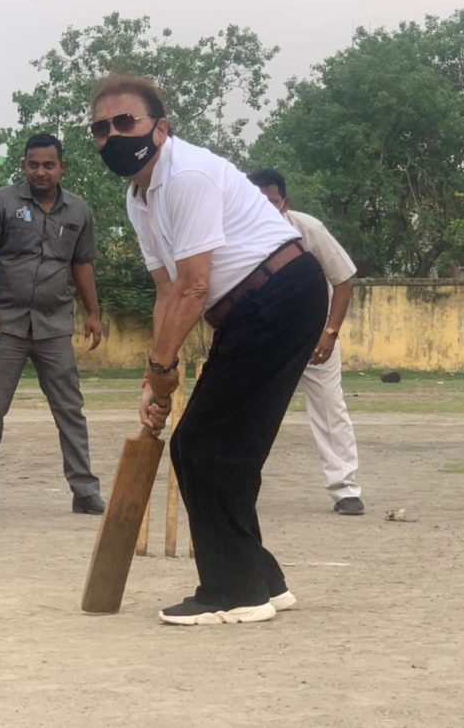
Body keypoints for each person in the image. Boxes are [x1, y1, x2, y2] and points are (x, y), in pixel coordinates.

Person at [90, 74, 328, 625]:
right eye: (101, 129)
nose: (113, 136)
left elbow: (195, 286)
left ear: (161, 127)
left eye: (126, 122)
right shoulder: (139, 197)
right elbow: (167, 290)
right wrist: (156, 380)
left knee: (202, 445)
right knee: (226, 450)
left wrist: (164, 366)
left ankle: (234, 591)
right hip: (258, 305)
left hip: (278, 293)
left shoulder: (186, 175)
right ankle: (261, 579)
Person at [0, 133, 104, 517]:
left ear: (62, 167)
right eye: (33, 164)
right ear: (24, 165)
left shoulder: (78, 210)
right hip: (4, 323)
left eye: (48, 164)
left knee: (70, 409)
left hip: (54, 324)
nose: (40, 171)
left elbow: (82, 263)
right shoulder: (1, 202)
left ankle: (85, 489)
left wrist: (93, 313)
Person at [248, 168, 364, 515]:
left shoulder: (308, 229)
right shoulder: (235, 232)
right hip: (264, 335)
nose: (264, 209)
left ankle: (345, 489)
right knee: (251, 410)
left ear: (285, 201)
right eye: (256, 202)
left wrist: (330, 333)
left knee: (330, 407)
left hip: (315, 334)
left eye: (271, 202)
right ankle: (239, 483)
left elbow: (343, 280)